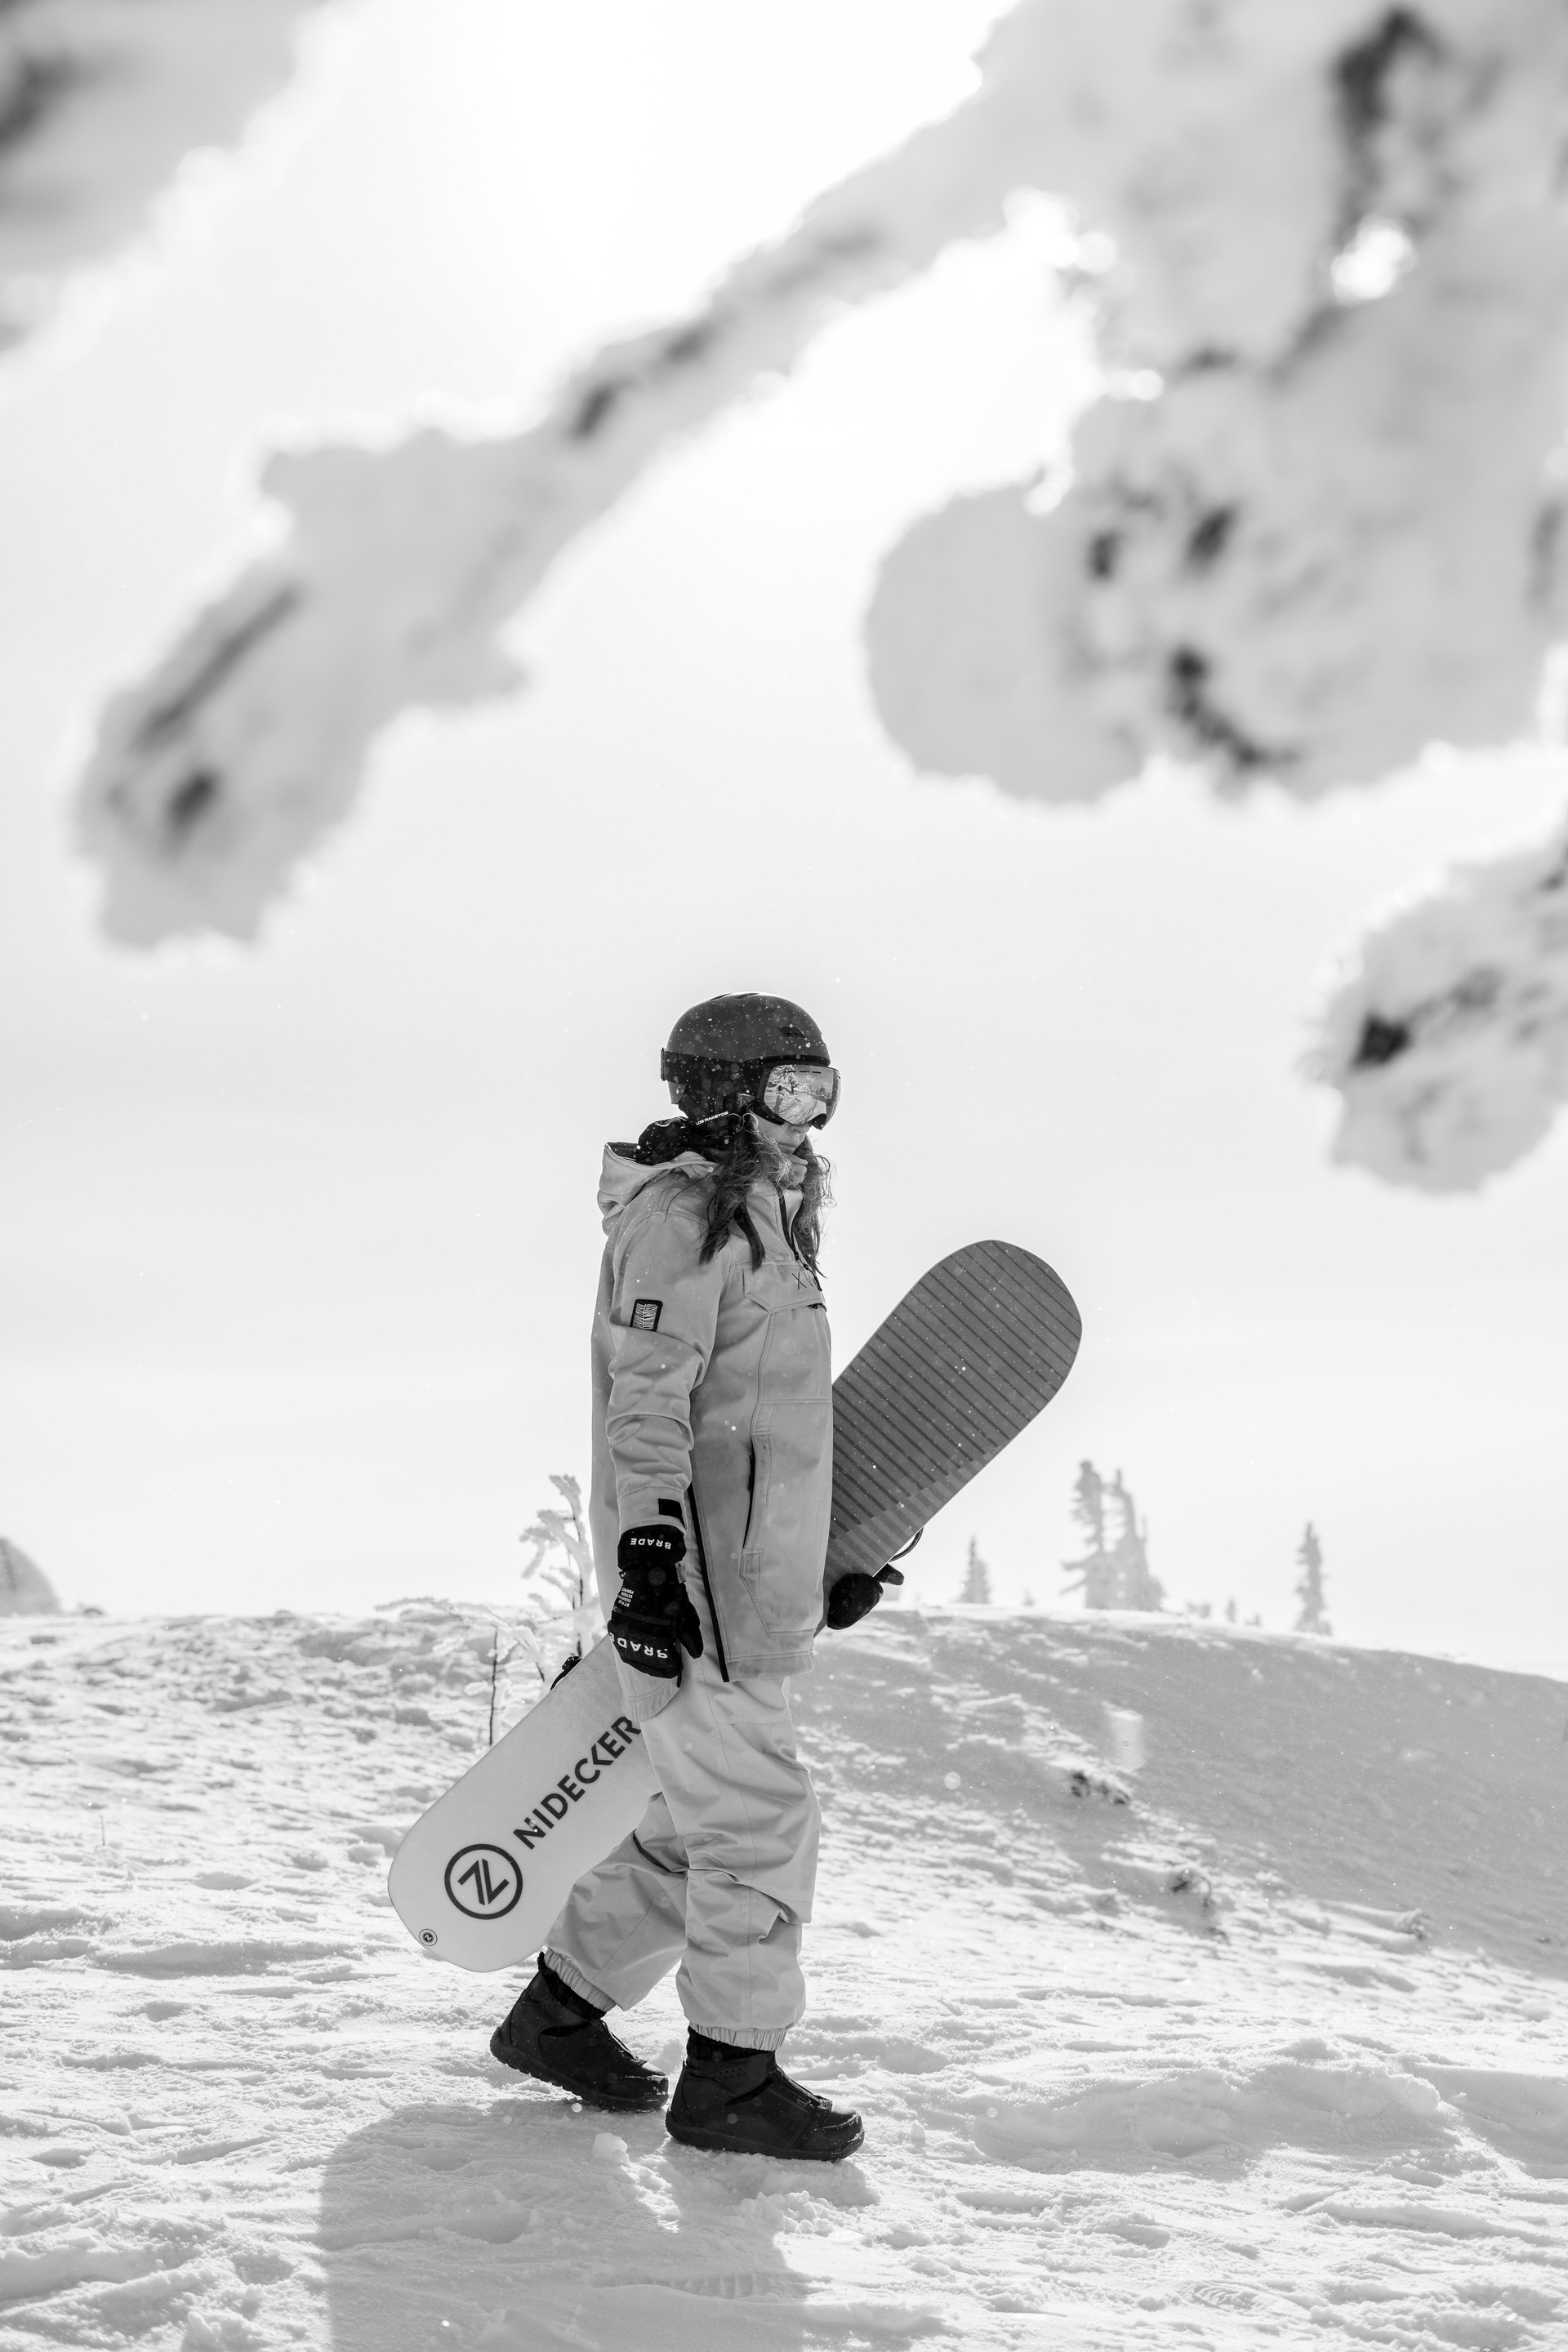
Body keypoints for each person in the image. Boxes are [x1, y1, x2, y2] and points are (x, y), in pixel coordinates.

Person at [488, 994, 895, 2160]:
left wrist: (823, 1561)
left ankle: (560, 2018)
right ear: (722, 1092)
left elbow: (770, 1430)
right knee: (757, 1823)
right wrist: (653, 1564)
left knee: (681, 1827)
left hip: (748, 1576)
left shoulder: (769, 1219)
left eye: (820, 1094)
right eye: (784, 1091)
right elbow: (650, 1404)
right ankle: (732, 2077)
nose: (804, 1118)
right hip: (695, 1583)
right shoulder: (680, 1219)